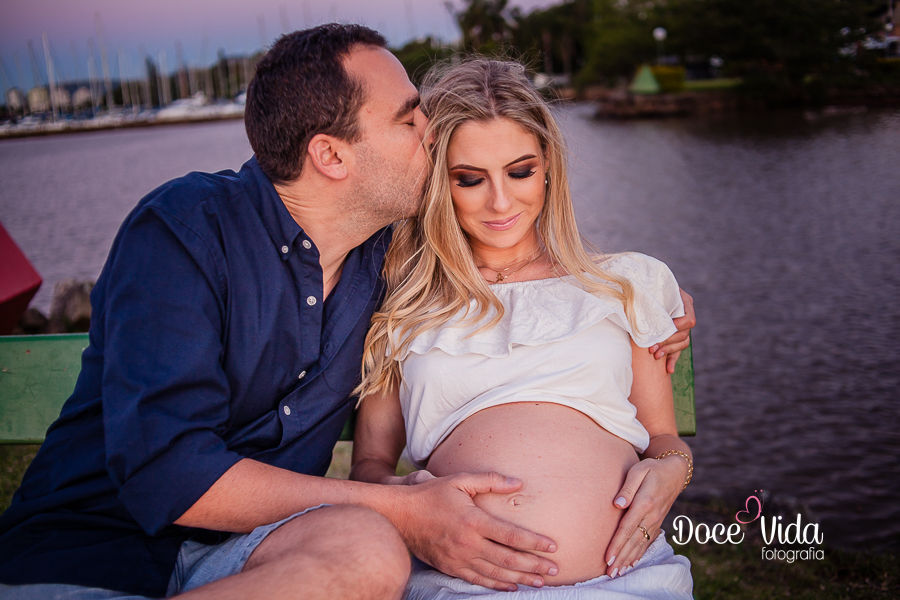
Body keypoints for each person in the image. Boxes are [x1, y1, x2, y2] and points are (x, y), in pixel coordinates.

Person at [350, 58, 694, 599]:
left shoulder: (626, 284)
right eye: (469, 179)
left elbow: (663, 438)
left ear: (549, 164)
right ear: (438, 180)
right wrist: (408, 499)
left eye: (520, 171)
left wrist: (675, 470)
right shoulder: (403, 306)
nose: (501, 202)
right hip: (463, 584)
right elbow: (369, 467)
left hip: (626, 580)